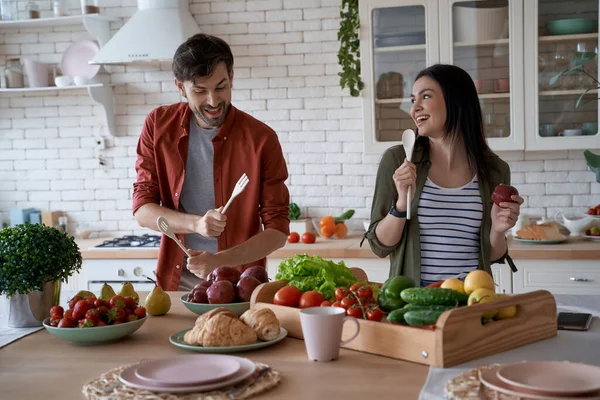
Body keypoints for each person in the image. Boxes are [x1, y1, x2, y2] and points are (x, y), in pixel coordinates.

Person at [132, 33, 290, 291]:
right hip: (176, 284)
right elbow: (143, 210)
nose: (213, 102)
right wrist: (196, 224)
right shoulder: (158, 126)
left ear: (232, 78)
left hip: (239, 287)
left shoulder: (262, 140)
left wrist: (219, 260)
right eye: (199, 91)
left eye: (220, 87)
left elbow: (278, 230)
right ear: (181, 87)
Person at [365, 64, 523, 287]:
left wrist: (498, 230)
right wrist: (401, 204)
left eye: (425, 96)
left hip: (470, 303)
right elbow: (380, 245)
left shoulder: (494, 170)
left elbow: (493, 255)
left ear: (456, 101)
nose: (414, 109)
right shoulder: (399, 160)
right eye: (413, 100)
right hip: (413, 305)